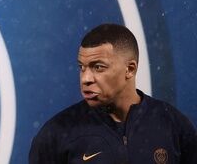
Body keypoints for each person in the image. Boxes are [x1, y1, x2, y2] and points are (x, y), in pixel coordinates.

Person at [29, 23, 196, 163]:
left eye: (98, 67)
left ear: (130, 69)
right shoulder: (55, 134)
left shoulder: (174, 125)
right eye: (82, 67)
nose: (85, 79)